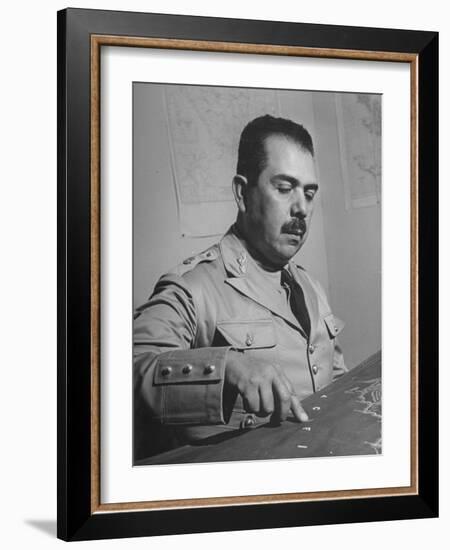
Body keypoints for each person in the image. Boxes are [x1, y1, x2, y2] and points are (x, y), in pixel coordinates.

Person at [133, 115, 346, 461]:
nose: (302, 208)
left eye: (309, 193)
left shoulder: (310, 287)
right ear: (242, 193)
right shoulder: (194, 287)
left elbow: (334, 381)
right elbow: (122, 373)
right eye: (284, 187)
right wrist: (227, 366)